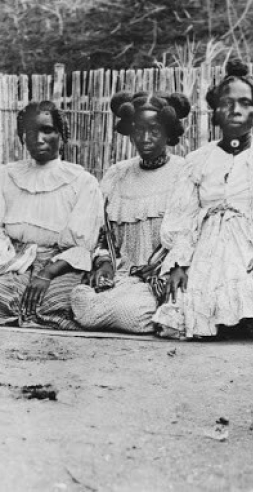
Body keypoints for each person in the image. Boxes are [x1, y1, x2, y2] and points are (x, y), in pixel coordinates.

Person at [153, 60, 253, 339]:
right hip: (205, 251)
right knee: (186, 301)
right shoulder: (196, 162)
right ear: (215, 113)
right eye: (226, 103)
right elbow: (182, 218)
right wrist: (179, 263)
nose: (235, 109)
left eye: (245, 103)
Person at [0, 101, 103, 330]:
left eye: (47, 130)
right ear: (23, 137)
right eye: (31, 132)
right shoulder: (6, 176)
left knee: (58, 302)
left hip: (61, 263)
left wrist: (46, 273)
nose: (39, 138)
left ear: (62, 135)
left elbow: (83, 244)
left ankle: (35, 317)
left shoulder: (82, 182)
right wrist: (15, 261)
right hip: (14, 258)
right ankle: (26, 316)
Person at [70, 91, 191, 334]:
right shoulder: (117, 174)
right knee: (79, 299)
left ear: (168, 132)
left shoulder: (184, 173)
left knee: (131, 313)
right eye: (138, 130)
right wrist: (103, 262)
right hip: (122, 273)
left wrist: (168, 264)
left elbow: (191, 231)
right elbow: (105, 234)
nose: (145, 138)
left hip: (165, 272)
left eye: (154, 130)